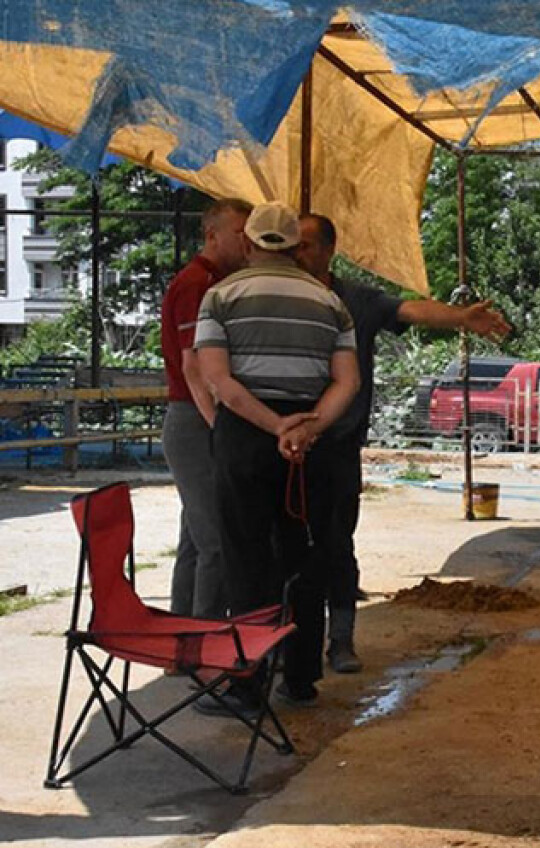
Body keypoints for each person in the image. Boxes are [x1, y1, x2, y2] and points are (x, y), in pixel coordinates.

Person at [293, 213, 510, 673]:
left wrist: (461, 319)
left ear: (330, 251)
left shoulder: (355, 300)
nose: (298, 252)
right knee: (286, 548)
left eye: (307, 244)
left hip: (336, 446)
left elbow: (409, 310)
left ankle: (341, 641)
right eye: (293, 243)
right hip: (284, 446)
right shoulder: (279, 296)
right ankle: (285, 648)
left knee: (336, 543)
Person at [194, 202, 360, 711]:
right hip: (310, 445)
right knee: (305, 555)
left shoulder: (220, 297)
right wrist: (308, 426)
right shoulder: (329, 302)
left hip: (247, 437)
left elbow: (218, 380)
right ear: (293, 246)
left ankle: (247, 682)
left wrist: (273, 427)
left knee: (246, 558)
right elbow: (347, 381)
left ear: (247, 243)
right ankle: (302, 675)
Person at [159, 198, 252, 618]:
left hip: (199, 418)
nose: (247, 241)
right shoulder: (196, 284)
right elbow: (193, 367)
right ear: (212, 234)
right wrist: (220, 428)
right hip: (196, 419)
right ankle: (207, 645)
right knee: (216, 539)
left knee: (196, 539)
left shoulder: (218, 283)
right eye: (240, 232)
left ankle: (183, 640)